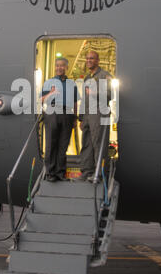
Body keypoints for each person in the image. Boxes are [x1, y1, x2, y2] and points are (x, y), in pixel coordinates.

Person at [41, 57, 78, 182]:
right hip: (52, 113)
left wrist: (75, 118)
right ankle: (50, 173)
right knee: (51, 144)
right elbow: (41, 99)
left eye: (62, 65)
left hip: (67, 114)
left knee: (63, 145)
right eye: (57, 65)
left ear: (66, 67)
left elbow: (74, 102)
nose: (59, 68)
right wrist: (51, 93)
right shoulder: (49, 82)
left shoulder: (72, 84)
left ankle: (60, 173)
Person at [77, 50, 112, 182]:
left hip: (98, 114)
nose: (89, 61)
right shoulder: (87, 77)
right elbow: (84, 99)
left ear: (98, 60)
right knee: (86, 144)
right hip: (87, 116)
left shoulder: (105, 76)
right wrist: (81, 118)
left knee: (98, 144)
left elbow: (111, 94)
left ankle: (99, 174)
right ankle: (86, 172)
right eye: (87, 59)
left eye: (92, 58)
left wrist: (95, 92)